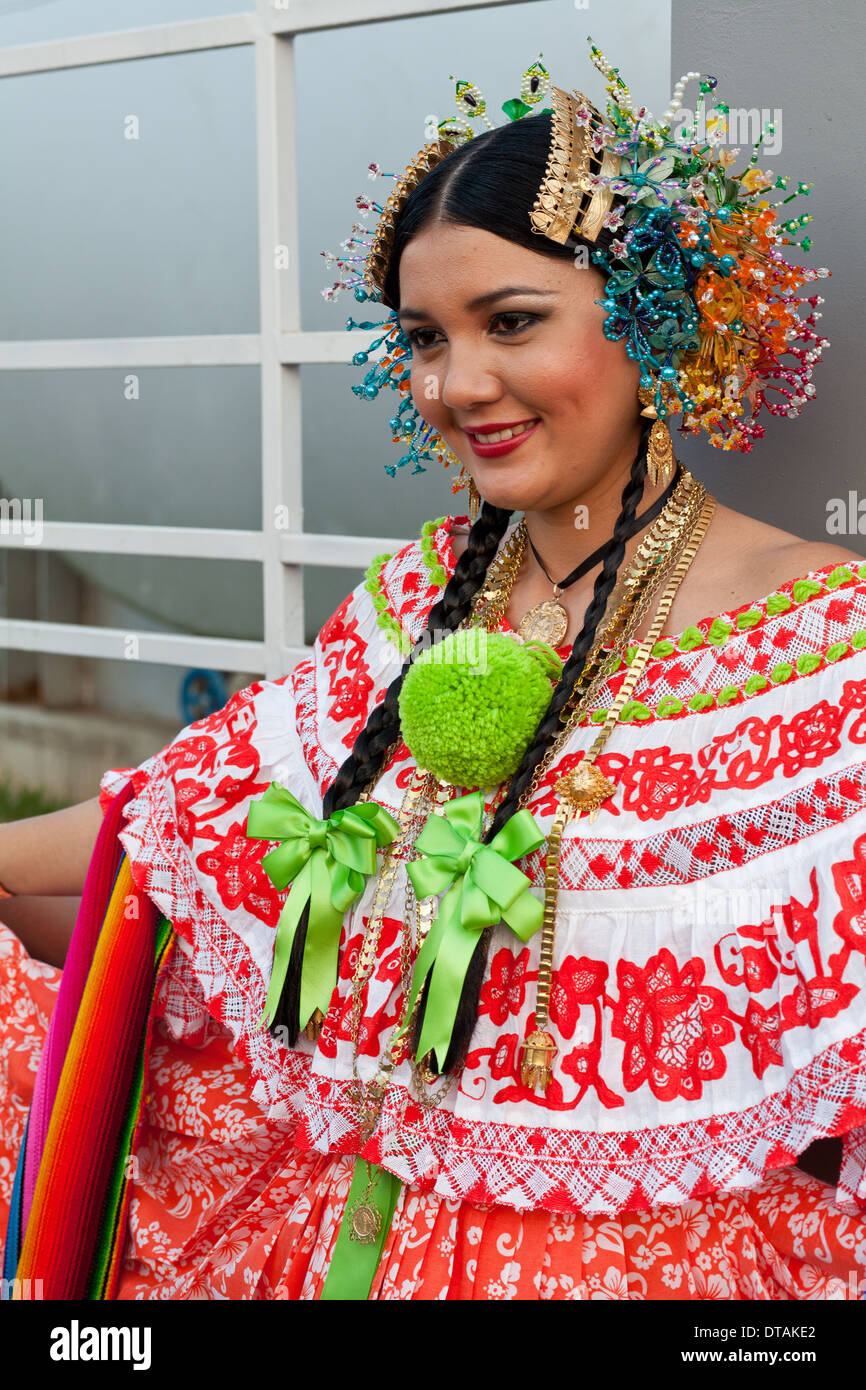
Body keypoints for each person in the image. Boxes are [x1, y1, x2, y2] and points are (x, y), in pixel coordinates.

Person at [3, 44, 866, 1302]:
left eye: (510, 322)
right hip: (324, 1241)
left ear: (649, 316)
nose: (458, 385)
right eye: (423, 339)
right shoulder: (414, 598)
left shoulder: (819, 645)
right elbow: (174, 831)